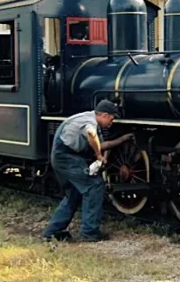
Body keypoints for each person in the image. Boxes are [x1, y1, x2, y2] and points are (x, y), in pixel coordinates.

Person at [42, 100, 134, 242]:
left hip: (64, 157)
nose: (111, 122)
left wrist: (122, 139)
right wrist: (99, 156)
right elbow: (91, 134)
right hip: (66, 158)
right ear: (104, 115)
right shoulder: (89, 122)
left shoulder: (88, 118)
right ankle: (89, 233)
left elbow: (101, 144)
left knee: (74, 194)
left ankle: (52, 233)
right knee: (94, 186)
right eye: (111, 119)